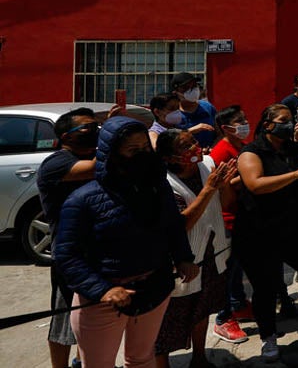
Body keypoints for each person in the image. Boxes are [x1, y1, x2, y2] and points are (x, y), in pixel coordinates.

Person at [54, 116, 199, 368]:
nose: (142, 154)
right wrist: (103, 290)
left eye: (144, 148)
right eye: (133, 150)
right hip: (104, 301)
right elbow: (67, 256)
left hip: (154, 290)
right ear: (112, 154)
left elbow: (173, 226)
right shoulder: (82, 200)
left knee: (142, 358)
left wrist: (184, 258)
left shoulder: (158, 188)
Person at [234, 104, 298, 361]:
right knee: (266, 286)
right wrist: (297, 173)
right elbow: (255, 184)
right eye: (283, 120)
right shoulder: (251, 152)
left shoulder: (295, 147)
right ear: (268, 124)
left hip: (294, 226)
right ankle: (268, 336)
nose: (289, 124)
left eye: (291, 120)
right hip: (259, 231)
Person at [154, 130, 238, 368]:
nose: (194, 147)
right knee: (169, 318)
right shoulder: (164, 183)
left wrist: (224, 186)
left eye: (193, 142)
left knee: (203, 307)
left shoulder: (208, 165)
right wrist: (210, 188)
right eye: (185, 146)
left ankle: (199, 358)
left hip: (212, 252)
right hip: (182, 259)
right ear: (169, 157)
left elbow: (227, 202)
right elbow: (181, 224)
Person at [37, 108, 101, 368]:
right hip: (71, 254)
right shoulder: (57, 163)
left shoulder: (95, 155)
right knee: (65, 317)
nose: (94, 131)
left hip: (99, 249)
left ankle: (81, 361)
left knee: (92, 316)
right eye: (88, 127)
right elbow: (98, 168)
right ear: (66, 136)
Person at [207, 106, 256, 344]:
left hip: (242, 215)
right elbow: (218, 187)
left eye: (245, 119)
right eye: (239, 121)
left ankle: (238, 304)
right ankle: (223, 319)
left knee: (238, 267)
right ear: (226, 127)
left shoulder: (241, 146)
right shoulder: (220, 151)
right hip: (226, 219)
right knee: (228, 271)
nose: (244, 123)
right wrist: (245, 176)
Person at [171, 72, 217, 148]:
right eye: (186, 88)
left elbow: (220, 134)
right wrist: (190, 131)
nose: (192, 90)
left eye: (194, 86)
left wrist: (213, 151)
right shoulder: (172, 114)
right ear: (175, 93)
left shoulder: (208, 107)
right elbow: (170, 142)